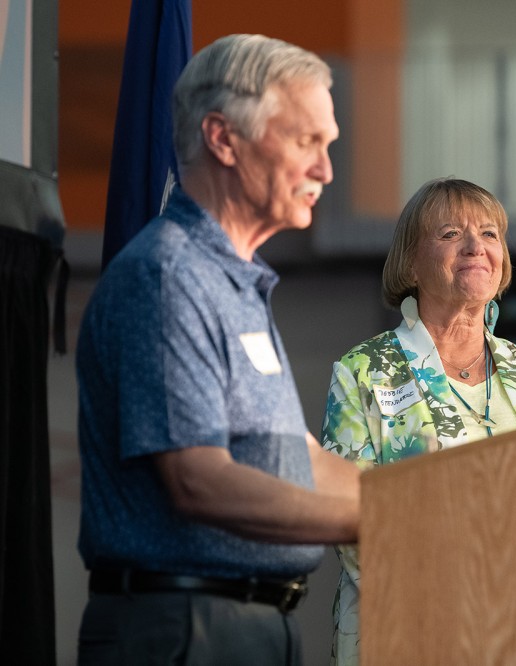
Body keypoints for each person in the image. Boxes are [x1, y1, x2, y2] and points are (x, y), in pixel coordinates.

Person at [75, 34, 360, 665]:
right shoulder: (167, 277)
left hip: (247, 625)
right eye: (306, 142)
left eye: (328, 145)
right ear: (223, 138)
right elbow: (199, 481)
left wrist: (428, 498)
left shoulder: (235, 282)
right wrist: (385, 520)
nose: (326, 171)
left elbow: (301, 462)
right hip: (183, 630)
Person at [320, 177, 516, 664]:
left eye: (489, 234)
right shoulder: (364, 372)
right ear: (411, 263)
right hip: (413, 633)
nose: (475, 247)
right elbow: (349, 518)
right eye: (450, 234)